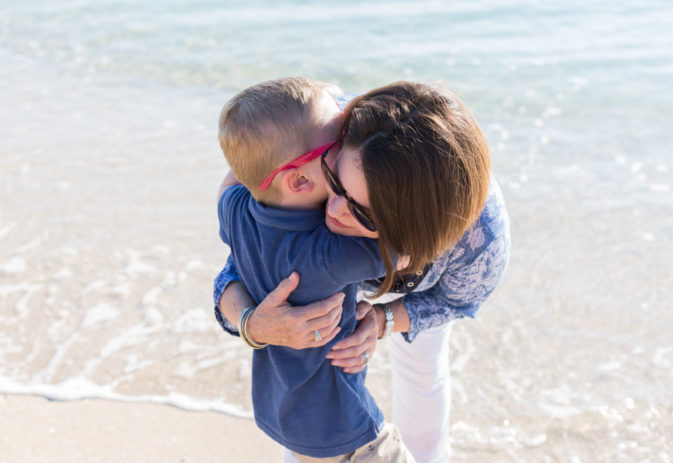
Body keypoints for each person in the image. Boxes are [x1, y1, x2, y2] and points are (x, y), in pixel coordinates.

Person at [215, 81, 511, 462]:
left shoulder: (478, 241)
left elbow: (458, 301)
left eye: (360, 210)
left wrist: (386, 318)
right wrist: (253, 323)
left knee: (423, 367)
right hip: (347, 273)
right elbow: (244, 261)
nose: (334, 211)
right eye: (335, 182)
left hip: (424, 277)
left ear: (411, 227)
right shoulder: (322, 147)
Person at [216, 76, 415, 462]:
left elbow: (233, 179)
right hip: (347, 427)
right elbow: (404, 253)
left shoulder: (234, 211)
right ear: (300, 179)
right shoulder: (327, 253)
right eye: (338, 142)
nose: (348, 145)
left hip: (285, 412)